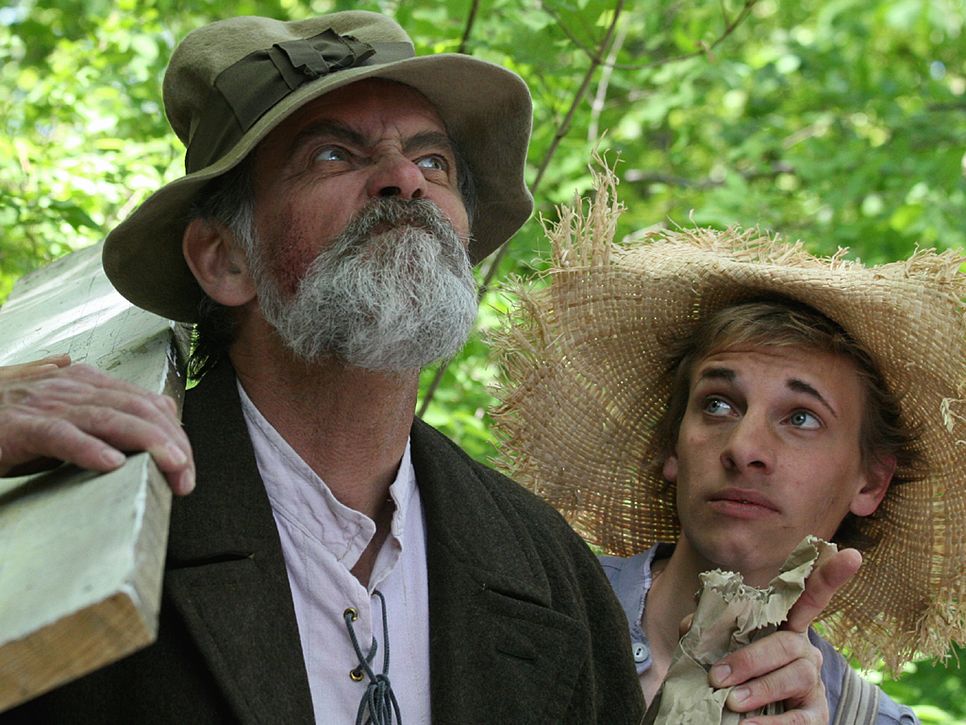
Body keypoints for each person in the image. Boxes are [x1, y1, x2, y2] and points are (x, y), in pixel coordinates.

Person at [1, 13, 855, 724]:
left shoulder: (548, 566)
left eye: (433, 159)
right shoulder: (80, 520)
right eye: (333, 154)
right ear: (225, 258)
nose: (404, 178)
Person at [490, 215, 966, 722]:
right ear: (673, 447)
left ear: (871, 483)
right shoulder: (522, 606)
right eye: (718, 405)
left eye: (801, 418)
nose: (743, 448)